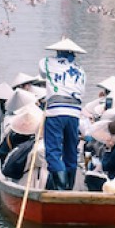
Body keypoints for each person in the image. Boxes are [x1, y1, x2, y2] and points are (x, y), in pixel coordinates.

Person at [38, 36, 86, 191]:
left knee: (53, 149)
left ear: (57, 51)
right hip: (74, 113)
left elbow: (43, 73)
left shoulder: (47, 62)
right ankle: (69, 186)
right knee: (71, 148)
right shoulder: (81, 70)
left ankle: (60, 187)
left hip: (55, 111)